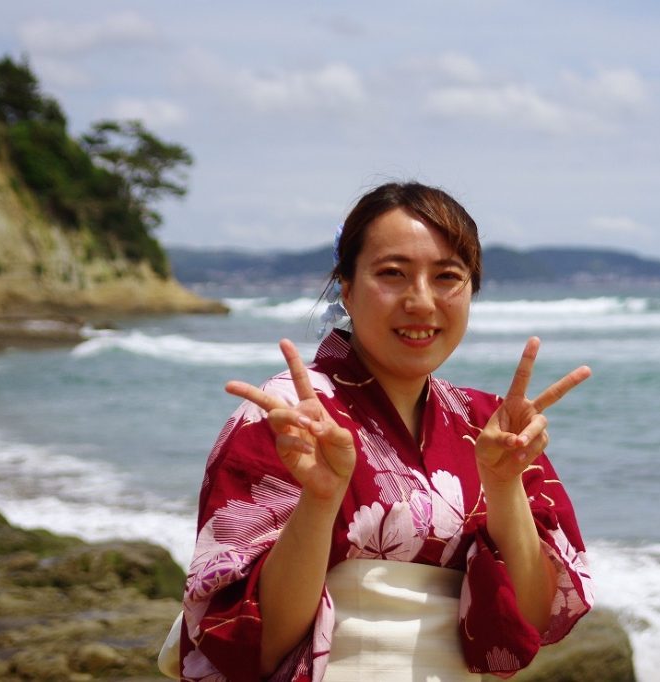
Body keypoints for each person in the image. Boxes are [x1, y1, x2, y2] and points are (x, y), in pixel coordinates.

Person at [177, 182, 594, 681]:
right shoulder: (288, 417)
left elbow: (529, 622)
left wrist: (504, 488)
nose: (421, 301)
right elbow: (256, 648)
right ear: (347, 289)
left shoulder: (491, 426)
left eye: (447, 276)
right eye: (392, 273)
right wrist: (321, 500)